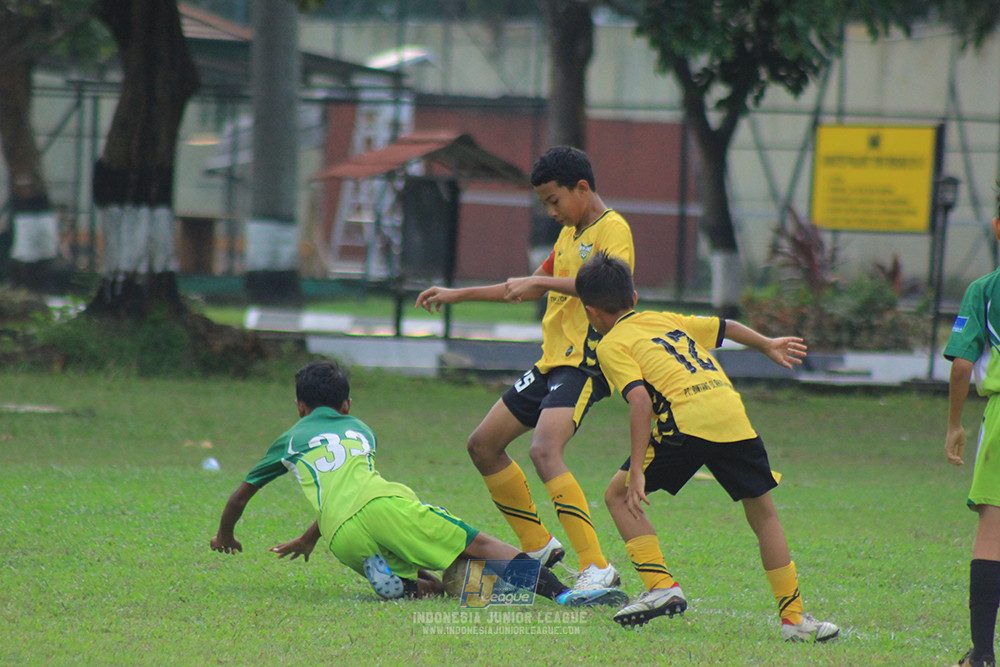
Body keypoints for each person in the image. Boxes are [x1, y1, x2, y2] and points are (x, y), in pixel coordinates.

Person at [574, 251, 840, 642]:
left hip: (685, 421)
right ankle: (795, 620)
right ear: (633, 297)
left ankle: (660, 585)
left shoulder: (611, 343)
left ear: (591, 312)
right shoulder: (664, 319)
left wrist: (635, 473)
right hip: (731, 413)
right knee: (765, 515)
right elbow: (725, 326)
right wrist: (766, 344)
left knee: (617, 496)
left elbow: (641, 402)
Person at [209, 359, 627, 607]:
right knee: (477, 545)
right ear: (347, 405)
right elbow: (357, 485)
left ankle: (407, 585)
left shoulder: (291, 439)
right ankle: (561, 595)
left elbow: (240, 497)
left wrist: (226, 535)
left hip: (339, 535)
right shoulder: (360, 429)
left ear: (300, 407)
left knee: (439, 582)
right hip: (382, 505)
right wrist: (305, 538)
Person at [415, 146, 634, 591]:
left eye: (554, 201)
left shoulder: (613, 229)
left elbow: (611, 286)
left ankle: (596, 566)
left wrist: (542, 280)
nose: (550, 211)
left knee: (543, 450)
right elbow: (526, 287)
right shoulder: (569, 235)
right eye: (545, 204)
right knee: (483, 445)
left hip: (586, 363)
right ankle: (537, 544)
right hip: (552, 362)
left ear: (583, 188)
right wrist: (458, 294)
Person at [944, 190, 1000, 667]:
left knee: (993, 532)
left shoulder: (985, 289)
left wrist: (954, 425)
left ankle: (982, 654)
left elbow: (962, 366)